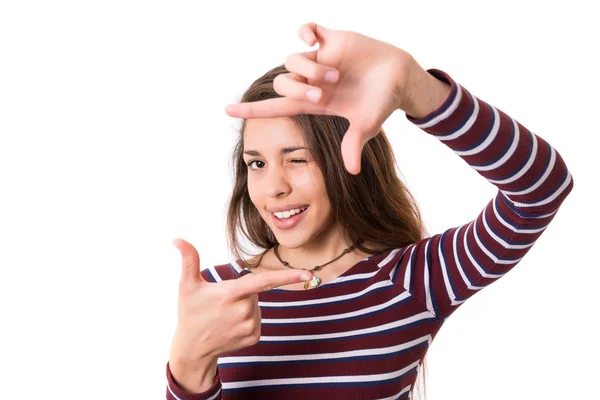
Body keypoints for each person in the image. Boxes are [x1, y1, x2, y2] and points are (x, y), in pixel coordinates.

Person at [165, 22, 574, 400]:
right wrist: (187, 366)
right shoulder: (220, 294)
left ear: (346, 156)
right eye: (257, 163)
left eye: (297, 159)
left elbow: (540, 189)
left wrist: (418, 89)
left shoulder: (412, 280)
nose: (274, 187)